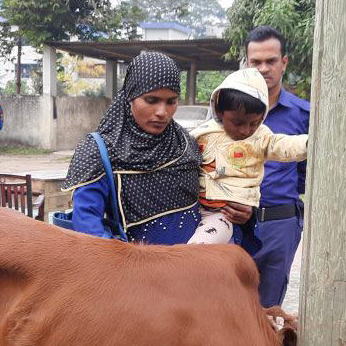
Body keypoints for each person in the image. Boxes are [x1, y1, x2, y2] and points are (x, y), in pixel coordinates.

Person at [62, 52, 249, 244]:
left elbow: (214, 198)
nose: (162, 112)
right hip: (138, 269)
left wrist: (240, 210)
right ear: (130, 96)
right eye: (151, 100)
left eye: (171, 101)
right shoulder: (98, 151)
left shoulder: (186, 143)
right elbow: (88, 226)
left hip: (197, 265)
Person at [187, 68, 308, 244]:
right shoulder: (203, 133)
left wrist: (309, 143)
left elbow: (284, 145)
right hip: (195, 209)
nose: (245, 130)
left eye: (254, 123)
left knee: (195, 251)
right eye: (237, 123)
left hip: (224, 216)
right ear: (219, 110)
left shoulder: (262, 137)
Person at [238, 26, 310, 307]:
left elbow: (306, 173)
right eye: (256, 62)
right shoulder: (227, 110)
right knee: (229, 307)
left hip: (280, 225)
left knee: (268, 311)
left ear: (284, 62)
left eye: (271, 61)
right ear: (247, 63)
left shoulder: (304, 115)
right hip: (235, 223)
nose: (264, 68)